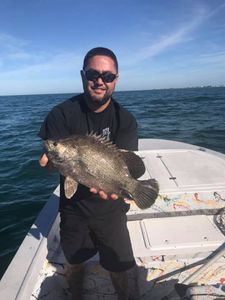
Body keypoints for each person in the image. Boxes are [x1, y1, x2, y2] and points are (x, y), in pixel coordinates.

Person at [39, 47, 139, 299]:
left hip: (111, 208)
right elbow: (53, 162)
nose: (100, 81)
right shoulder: (61, 114)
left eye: (108, 76)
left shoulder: (125, 120)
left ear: (116, 79)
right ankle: (76, 295)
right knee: (74, 262)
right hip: (74, 208)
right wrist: (51, 161)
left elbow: (128, 166)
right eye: (93, 74)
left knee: (119, 267)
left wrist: (125, 188)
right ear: (83, 75)